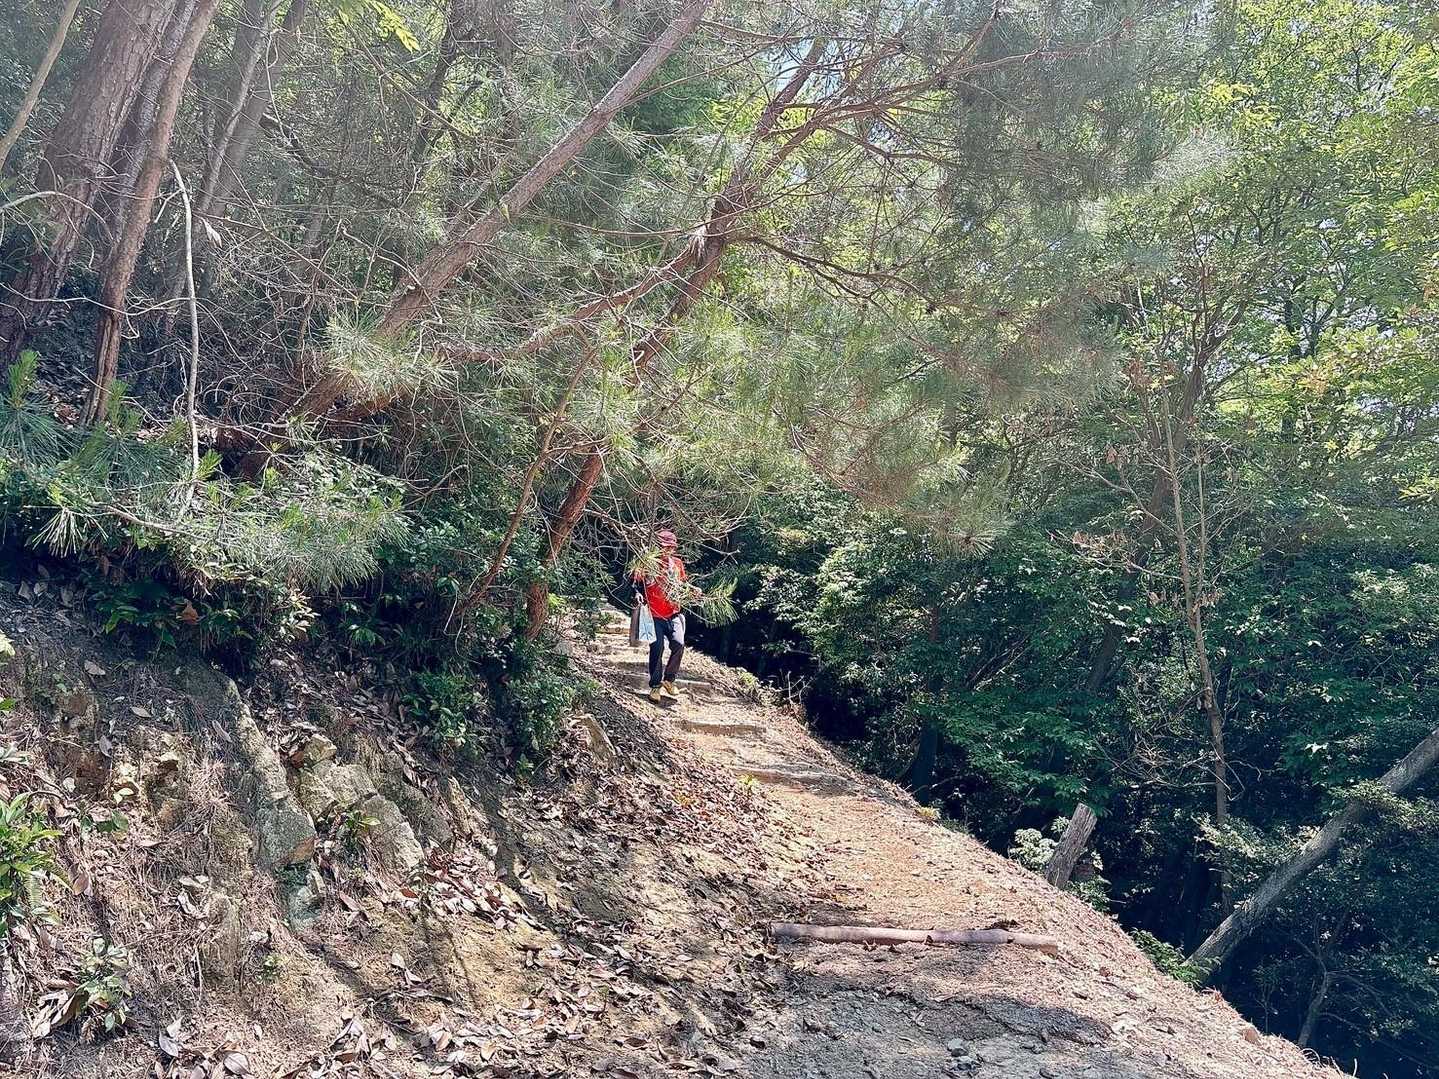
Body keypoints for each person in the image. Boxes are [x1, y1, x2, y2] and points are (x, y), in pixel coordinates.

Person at [633, 529, 696, 704]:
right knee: (657, 647)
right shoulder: (647, 563)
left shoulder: (677, 564)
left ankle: (669, 679)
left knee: (679, 644)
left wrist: (693, 591)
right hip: (653, 614)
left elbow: (683, 585)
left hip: (673, 613)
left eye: (671, 547)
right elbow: (635, 584)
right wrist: (637, 594)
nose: (668, 550)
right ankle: (655, 685)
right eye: (664, 546)